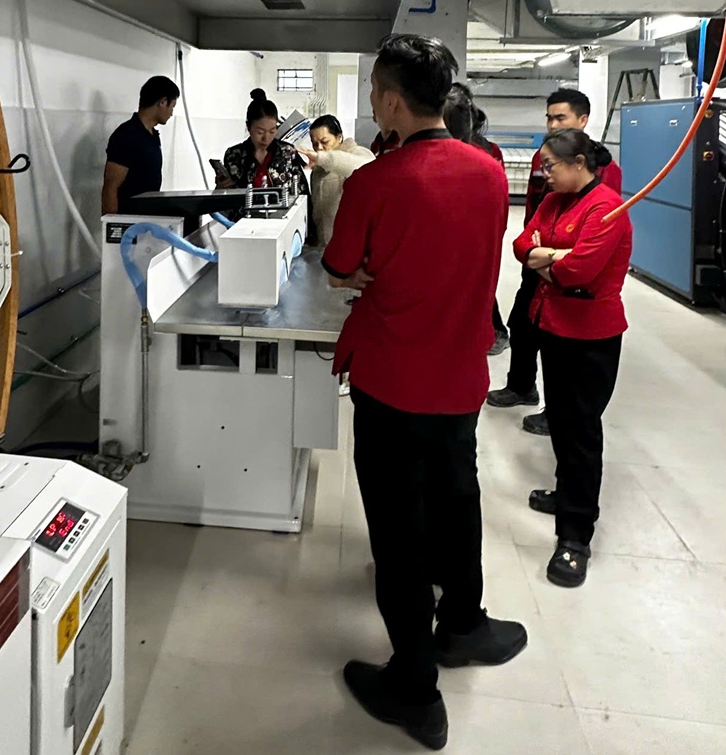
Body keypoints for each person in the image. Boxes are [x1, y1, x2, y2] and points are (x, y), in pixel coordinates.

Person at [322, 34, 527, 750]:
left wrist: (360, 271)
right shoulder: (490, 173)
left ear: (389, 101)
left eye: (374, 92)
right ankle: (464, 623)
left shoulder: (374, 182)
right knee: (457, 497)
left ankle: (414, 687)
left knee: (399, 532)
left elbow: (340, 264)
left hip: (392, 381)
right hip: (461, 375)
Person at [513, 129, 631, 587]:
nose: (544, 173)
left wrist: (549, 258)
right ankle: (567, 494)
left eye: (551, 165)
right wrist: (550, 254)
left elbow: (579, 270)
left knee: (581, 432)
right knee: (560, 421)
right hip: (554, 325)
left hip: (590, 336)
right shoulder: (554, 201)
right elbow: (521, 245)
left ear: (579, 163)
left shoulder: (606, 208)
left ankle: (575, 536)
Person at [487, 89, 623, 437]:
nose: (552, 124)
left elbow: (584, 257)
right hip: (539, 260)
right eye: (549, 117)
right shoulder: (545, 161)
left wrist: (548, 254)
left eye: (560, 117)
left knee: (574, 384)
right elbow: (524, 238)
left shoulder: (603, 175)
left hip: (577, 287)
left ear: (582, 120)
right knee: (523, 324)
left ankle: (557, 411)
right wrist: (542, 253)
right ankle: (521, 386)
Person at [443, 84, 510, 357]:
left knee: (472, 292)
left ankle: (490, 333)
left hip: (471, 235)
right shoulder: (486, 154)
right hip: (476, 235)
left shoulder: (482, 155)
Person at [102, 76, 179, 215]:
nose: (172, 113)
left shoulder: (152, 136)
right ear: (162, 102)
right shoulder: (127, 135)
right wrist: (112, 224)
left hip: (148, 217)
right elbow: (111, 187)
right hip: (129, 219)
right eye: (172, 106)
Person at [297, 114, 374, 247]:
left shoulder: (357, 153)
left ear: (339, 138)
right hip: (325, 246)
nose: (319, 148)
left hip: (352, 245)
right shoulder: (317, 170)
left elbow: (364, 168)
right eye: (314, 144)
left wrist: (324, 159)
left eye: (324, 142)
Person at [218, 89, 308, 198]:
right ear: (248, 127)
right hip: (244, 209)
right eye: (260, 132)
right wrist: (221, 188)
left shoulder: (287, 152)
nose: (266, 138)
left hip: (282, 209)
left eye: (272, 131)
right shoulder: (234, 155)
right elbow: (226, 198)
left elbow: (303, 192)